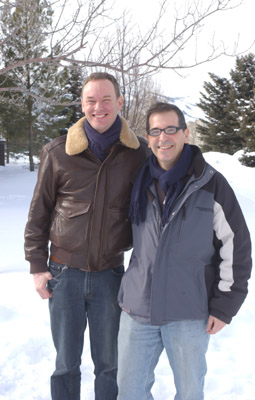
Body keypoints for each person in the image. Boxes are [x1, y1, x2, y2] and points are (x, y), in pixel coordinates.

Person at [24, 72, 150, 400]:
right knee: (66, 363)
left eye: (106, 99)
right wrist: (38, 267)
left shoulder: (138, 154)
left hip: (110, 275)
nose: (99, 107)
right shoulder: (57, 152)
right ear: (82, 105)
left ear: (120, 102)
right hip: (64, 274)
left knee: (109, 364)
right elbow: (39, 213)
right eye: (91, 100)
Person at [117, 102, 252, 400]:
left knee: (190, 392)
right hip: (138, 308)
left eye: (170, 129)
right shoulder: (138, 182)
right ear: (148, 137)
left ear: (185, 134)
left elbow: (236, 245)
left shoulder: (210, 184)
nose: (163, 137)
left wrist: (225, 304)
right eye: (155, 131)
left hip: (189, 312)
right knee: (129, 392)